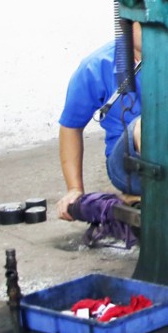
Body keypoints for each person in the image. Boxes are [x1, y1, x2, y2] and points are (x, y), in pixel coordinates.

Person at [55, 23, 144, 221]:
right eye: (144, 24)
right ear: (127, 22)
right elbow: (71, 126)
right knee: (147, 126)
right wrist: (75, 188)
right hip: (128, 168)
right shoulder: (96, 66)